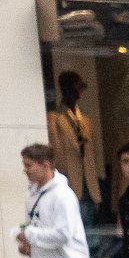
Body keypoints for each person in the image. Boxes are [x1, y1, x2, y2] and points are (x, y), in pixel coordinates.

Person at [47, 71, 98, 219]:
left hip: (89, 186)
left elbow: (91, 158)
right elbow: (55, 153)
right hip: (69, 183)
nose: (77, 91)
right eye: (72, 87)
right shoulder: (54, 119)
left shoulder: (86, 122)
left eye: (79, 87)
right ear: (64, 90)